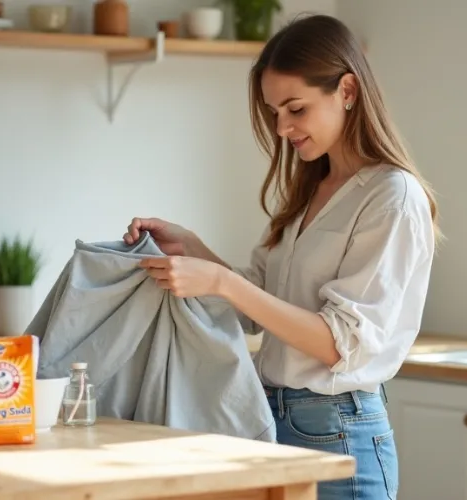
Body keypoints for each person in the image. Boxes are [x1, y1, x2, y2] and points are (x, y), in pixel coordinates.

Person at [122, 13, 438, 500]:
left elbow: (338, 345)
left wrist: (221, 283)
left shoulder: (392, 197)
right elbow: (261, 307)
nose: (282, 127)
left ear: (347, 91)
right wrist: (192, 247)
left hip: (339, 430)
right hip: (273, 418)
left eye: (296, 109)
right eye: (274, 112)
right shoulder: (310, 190)